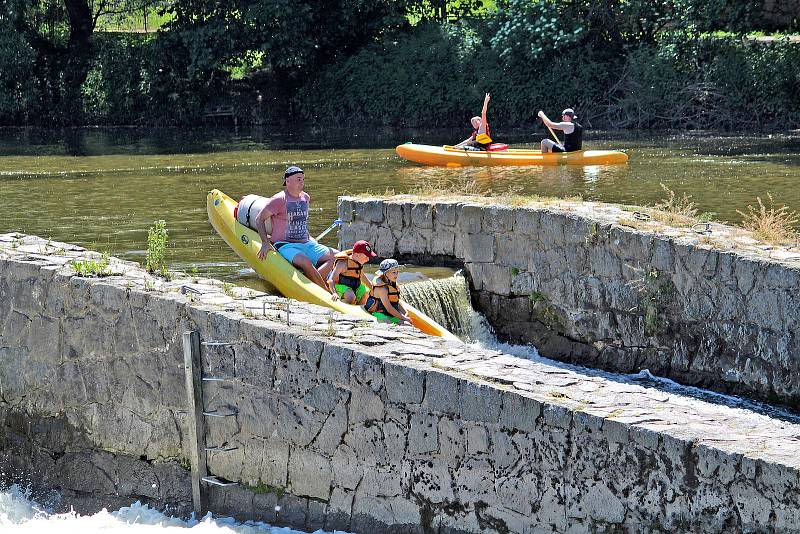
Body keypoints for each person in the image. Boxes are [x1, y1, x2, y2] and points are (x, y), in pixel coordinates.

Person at [254, 165, 336, 291]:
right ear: (287, 181)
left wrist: (309, 237)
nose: (302, 182)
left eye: (303, 179)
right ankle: (325, 291)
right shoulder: (278, 199)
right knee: (305, 262)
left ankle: (311, 284)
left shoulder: (306, 198)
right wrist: (265, 242)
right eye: (298, 179)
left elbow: (301, 221)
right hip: (286, 245)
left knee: (337, 256)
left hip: (306, 243)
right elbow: (259, 219)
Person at [364, 259, 411, 325]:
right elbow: (389, 308)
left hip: (389, 313)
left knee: (407, 324)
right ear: (385, 273)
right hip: (379, 313)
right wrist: (404, 318)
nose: (396, 274)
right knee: (389, 323)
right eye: (394, 272)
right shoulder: (382, 289)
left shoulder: (393, 283)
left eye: (397, 272)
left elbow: (396, 301)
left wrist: (405, 313)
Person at [328, 240, 376, 304]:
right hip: (340, 286)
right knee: (351, 297)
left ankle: (359, 306)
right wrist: (334, 293)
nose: (368, 259)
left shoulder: (358, 263)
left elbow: (364, 279)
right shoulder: (343, 263)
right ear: (357, 255)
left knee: (367, 293)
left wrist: (375, 290)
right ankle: (344, 303)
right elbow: (331, 279)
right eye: (366, 257)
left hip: (354, 286)